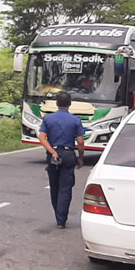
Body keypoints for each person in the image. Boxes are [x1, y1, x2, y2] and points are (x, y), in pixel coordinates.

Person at [38, 92, 86, 229]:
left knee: (55, 186)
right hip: (68, 154)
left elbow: (42, 138)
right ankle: (61, 219)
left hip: (53, 155)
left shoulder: (48, 119)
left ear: (57, 103)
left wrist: (52, 152)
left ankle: (58, 215)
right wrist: (80, 158)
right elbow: (81, 142)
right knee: (66, 188)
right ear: (69, 104)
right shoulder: (76, 120)